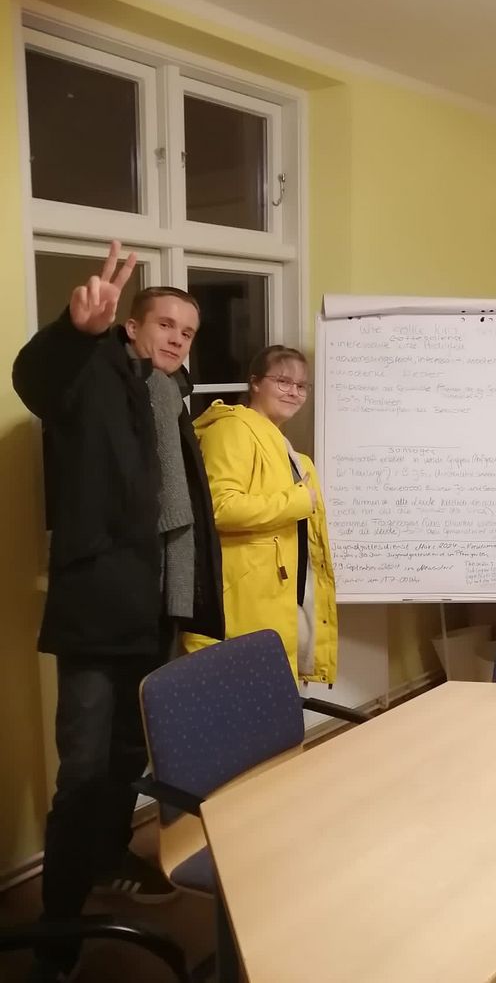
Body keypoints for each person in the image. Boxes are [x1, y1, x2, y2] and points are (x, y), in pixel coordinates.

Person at [12, 241, 225, 983]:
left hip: (157, 607)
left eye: (187, 331)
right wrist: (74, 331)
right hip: (99, 608)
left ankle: (106, 856)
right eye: (164, 324)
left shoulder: (171, 393)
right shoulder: (93, 374)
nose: (176, 338)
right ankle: (57, 939)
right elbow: (38, 382)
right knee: (82, 771)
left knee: (131, 753)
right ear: (131, 326)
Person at [183, 345, 338, 682]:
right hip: (241, 605)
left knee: (275, 702)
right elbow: (221, 508)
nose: (293, 392)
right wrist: (298, 500)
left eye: (301, 386)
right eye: (283, 381)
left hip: (276, 600)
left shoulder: (285, 448)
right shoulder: (233, 429)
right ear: (254, 382)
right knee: (241, 703)